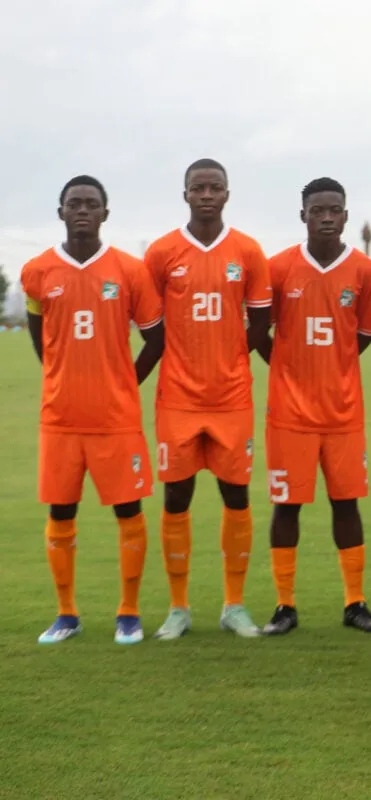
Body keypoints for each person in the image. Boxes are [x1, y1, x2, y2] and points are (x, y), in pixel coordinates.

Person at [22, 175, 164, 645]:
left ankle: (128, 612)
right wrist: (61, 376)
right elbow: (39, 332)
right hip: (60, 419)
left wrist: (123, 382)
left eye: (92, 204)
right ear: (60, 211)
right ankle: (66, 614)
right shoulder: (38, 271)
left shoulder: (129, 270)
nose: (82, 210)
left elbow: (155, 338)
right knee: (62, 512)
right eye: (74, 203)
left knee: (129, 510)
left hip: (115, 419)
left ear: (106, 213)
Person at [143, 158, 271, 640]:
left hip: (231, 398)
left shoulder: (248, 251)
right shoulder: (161, 253)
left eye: (214, 187)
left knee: (234, 494)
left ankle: (233, 605)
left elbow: (260, 320)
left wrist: (235, 359)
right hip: (177, 398)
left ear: (227, 194)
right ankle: (178, 608)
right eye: (198, 187)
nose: (206, 195)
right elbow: (150, 325)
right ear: (185, 194)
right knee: (176, 495)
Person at [258, 177, 371, 635]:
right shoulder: (278, 268)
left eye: (334, 210)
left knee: (346, 504)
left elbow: (367, 333)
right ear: (303, 216)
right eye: (317, 211)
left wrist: (336, 365)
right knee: (286, 507)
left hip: (343, 413)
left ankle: (355, 603)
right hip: (289, 416)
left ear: (346, 215)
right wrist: (287, 366)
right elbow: (258, 330)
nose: (327, 218)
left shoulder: (366, 272)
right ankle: (284, 606)